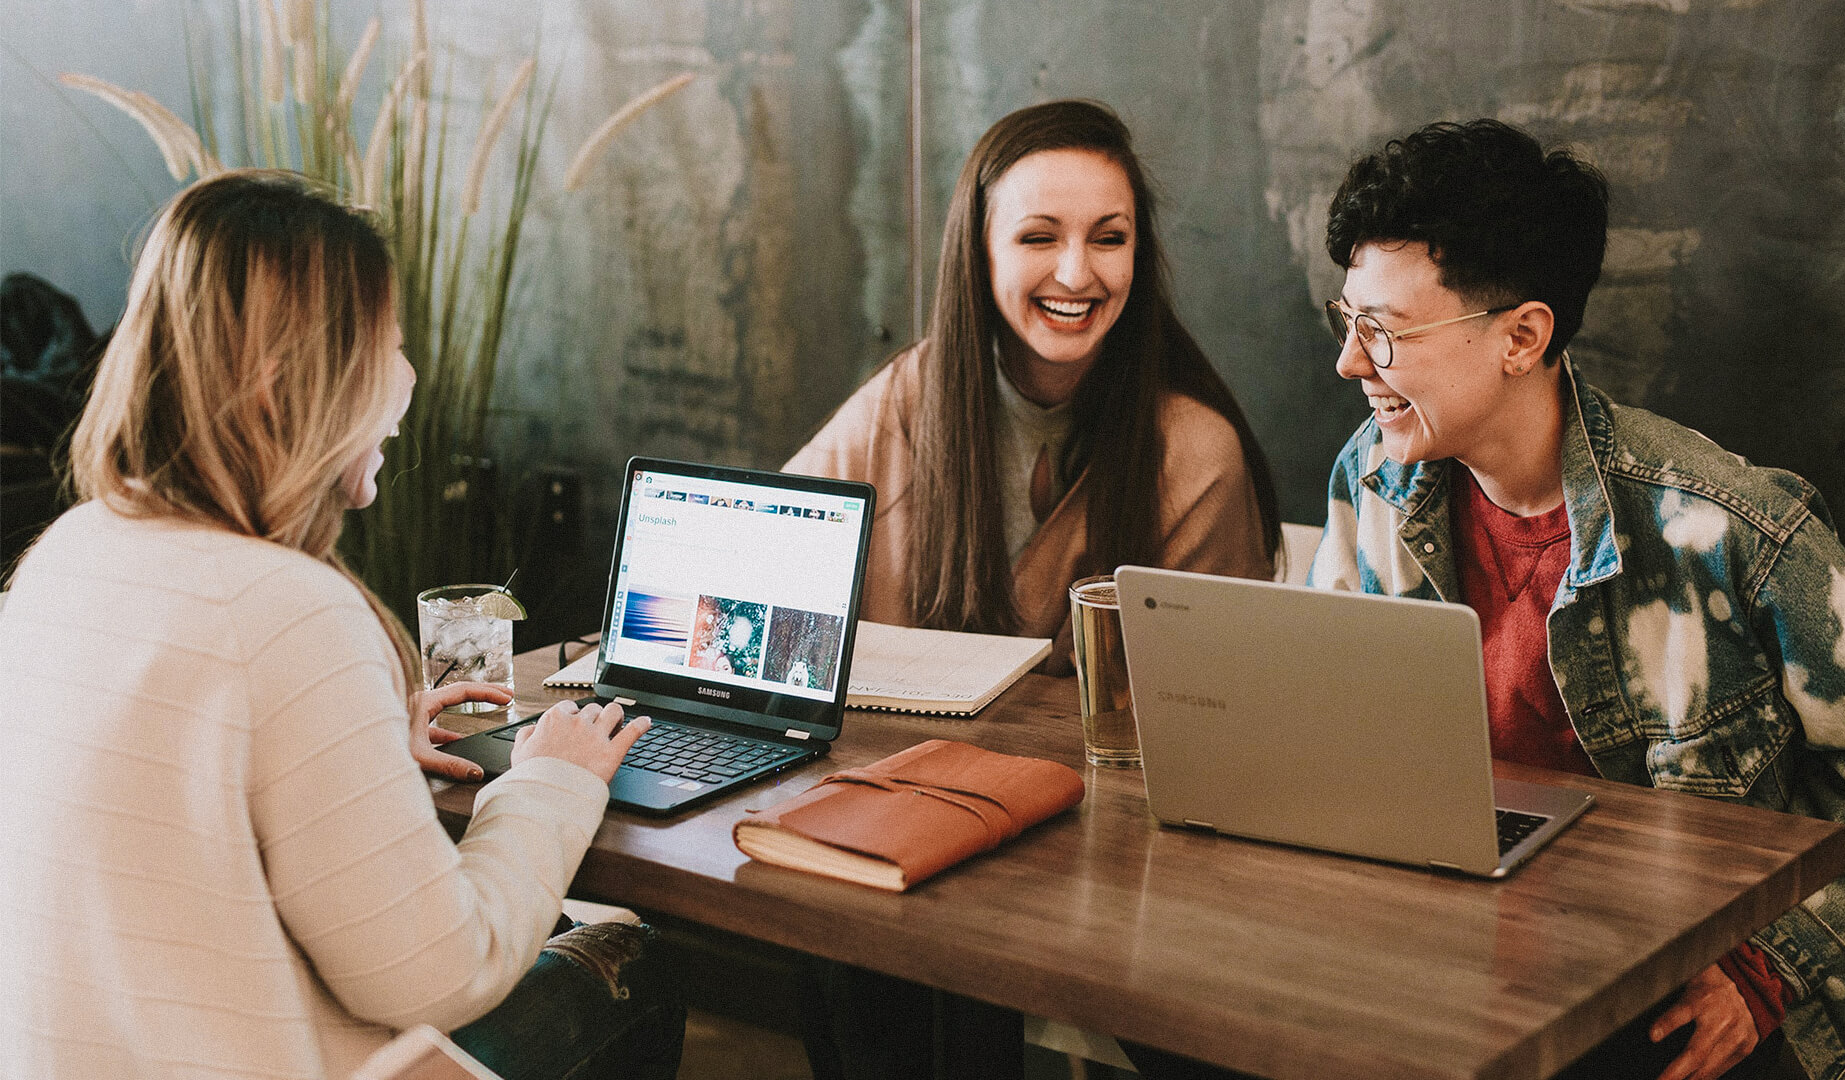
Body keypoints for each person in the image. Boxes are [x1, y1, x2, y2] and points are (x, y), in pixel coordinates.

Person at [0, 170, 684, 1080]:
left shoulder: (65, 554)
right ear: (288, 383)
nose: (408, 378)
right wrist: (551, 781)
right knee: (634, 962)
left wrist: (359, 743)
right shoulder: (289, 611)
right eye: (388, 346)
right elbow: (442, 977)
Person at [1308, 120, 1845, 1080]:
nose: (1350, 362)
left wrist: (1766, 970)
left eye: (1382, 331)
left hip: (1685, 979)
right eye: (1345, 320)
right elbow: (1331, 727)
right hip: (1469, 947)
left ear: (1522, 337)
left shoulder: (1725, 527)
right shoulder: (1374, 478)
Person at [787, 98, 1281, 676]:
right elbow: (763, 566)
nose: (1075, 274)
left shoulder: (1197, 454)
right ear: (979, 251)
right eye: (1038, 238)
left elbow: (1212, 695)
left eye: (1109, 239)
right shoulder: (904, 400)